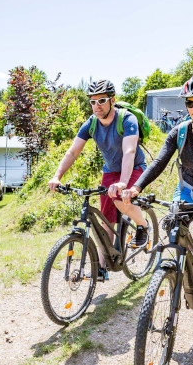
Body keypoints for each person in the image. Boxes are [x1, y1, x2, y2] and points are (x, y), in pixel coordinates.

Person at [122, 73, 193, 336]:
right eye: (190, 103)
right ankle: (180, 275)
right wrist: (136, 187)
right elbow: (159, 162)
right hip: (187, 191)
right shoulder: (180, 131)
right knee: (174, 232)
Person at [48, 79, 149, 281]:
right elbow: (73, 151)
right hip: (110, 171)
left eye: (101, 100)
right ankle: (102, 267)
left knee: (122, 200)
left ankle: (143, 226)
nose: (96, 106)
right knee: (106, 218)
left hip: (135, 168)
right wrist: (57, 176)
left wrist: (123, 182)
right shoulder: (91, 124)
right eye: (92, 102)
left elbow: (129, 151)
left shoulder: (127, 119)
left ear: (112, 100)